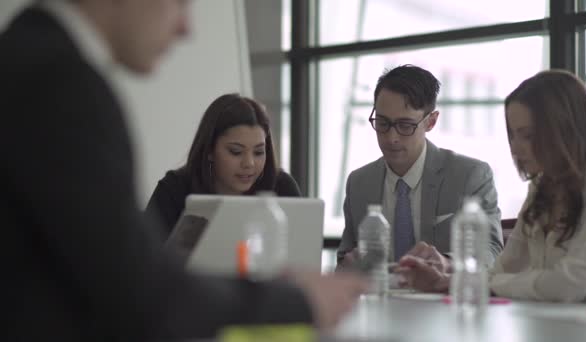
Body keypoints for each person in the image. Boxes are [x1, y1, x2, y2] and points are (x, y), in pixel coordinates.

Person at [1, 0, 367, 340]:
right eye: (180, 2)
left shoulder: (28, 60)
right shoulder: (59, 83)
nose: (185, 28)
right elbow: (136, 286)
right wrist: (296, 300)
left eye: (257, 152)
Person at [397, 70, 586, 302]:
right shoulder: (541, 187)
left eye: (527, 136)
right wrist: (443, 282)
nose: (516, 149)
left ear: (564, 130)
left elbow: (567, 284)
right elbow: (501, 270)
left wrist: (492, 284)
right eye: (513, 136)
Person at [337, 64, 503, 268]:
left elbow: (491, 251)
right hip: (378, 296)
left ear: (430, 122)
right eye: (382, 123)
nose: (392, 138)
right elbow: (344, 257)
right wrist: (348, 264)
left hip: (441, 297)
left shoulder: (470, 176)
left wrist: (447, 262)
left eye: (405, 126)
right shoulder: (359, 183)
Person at [146, 93, 300, 237]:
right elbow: (142, 259)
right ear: (210, 151)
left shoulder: (282, 187)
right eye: (236, 151)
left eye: (259, 152)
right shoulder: (174, 190)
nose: (249, 163)